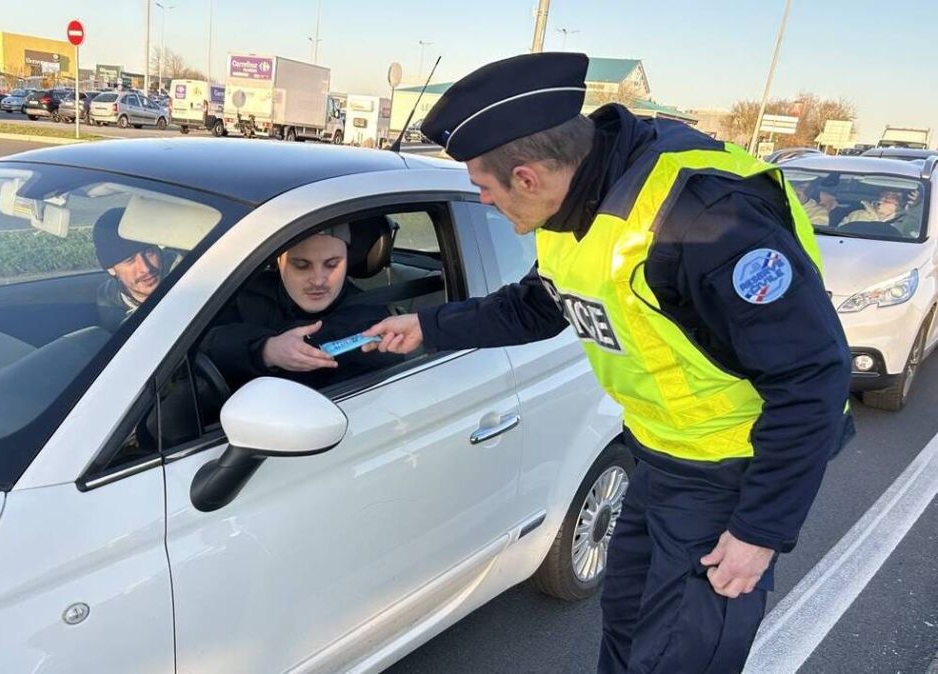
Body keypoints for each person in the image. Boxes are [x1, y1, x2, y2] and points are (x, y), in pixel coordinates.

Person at [363, 53, 854, 673]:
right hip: (658, 456)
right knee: (626, 627)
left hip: (731, 470)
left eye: (484, 189)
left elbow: (813, 373)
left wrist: (759, 531)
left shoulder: (705, 221)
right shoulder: (569, 204)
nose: (483, 203)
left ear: (527, 176)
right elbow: (541, 304)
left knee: (680, 658)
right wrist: (428, 325)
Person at [200, 225, 404, 390]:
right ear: (279, 261)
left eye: (332, 264)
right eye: (301, 265)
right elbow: (196, 345)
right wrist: (265, 350)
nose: (318, 280)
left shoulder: (372, 322)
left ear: (348, 261)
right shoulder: (243, 294)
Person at [92, 207, 166, 330]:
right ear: (111, 269)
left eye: (149, 253)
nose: (145, 268)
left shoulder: (188, 277)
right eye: (130, 261)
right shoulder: (108, 300)